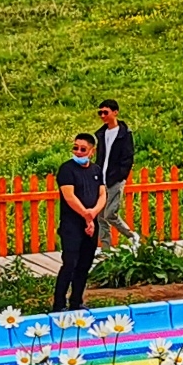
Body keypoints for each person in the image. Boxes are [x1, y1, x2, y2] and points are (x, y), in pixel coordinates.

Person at [52, 132, 104, 312]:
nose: (79, 152)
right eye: (76, 148)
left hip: (90, 225)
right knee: (70, 263)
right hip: (71, 225)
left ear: (92, 151)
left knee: (85, 263)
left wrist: (93, 214)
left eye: (83, 149)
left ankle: (76, 301)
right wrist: (86, 215)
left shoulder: (96, 170)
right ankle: (59, 304)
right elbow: (69, 196)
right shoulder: (66, 169)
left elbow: (102, 195)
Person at [92, 100, 138, 248]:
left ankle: (131, 235)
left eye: (106, 112)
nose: (102, 115)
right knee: (100, 217)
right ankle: (106, 250)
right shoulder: (101, 133)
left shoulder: (124, 134)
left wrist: (120, 175)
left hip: (115, 179)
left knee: (110, 214)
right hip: (101, 179)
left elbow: (128, 157)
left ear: (115, 112)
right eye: (100, 113)